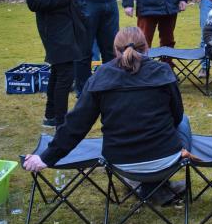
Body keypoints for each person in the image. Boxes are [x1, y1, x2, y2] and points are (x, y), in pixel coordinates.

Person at [23, 27, 195, 205]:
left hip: (121, 162)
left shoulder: (100, 76)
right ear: (147, 48)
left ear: (115, 50)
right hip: (166, 160)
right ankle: (155, 187)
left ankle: (148, 186)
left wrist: (46, 157)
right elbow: (177, 115)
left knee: (176, 123)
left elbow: (76, 125)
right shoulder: (163, 71)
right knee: (183, 121)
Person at [20, 0, 85, 128]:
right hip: (52, 27)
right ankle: (61, 123)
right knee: (66, 74)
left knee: (59, 71)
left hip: (70, 21)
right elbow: (34, 2)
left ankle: (50, 116)